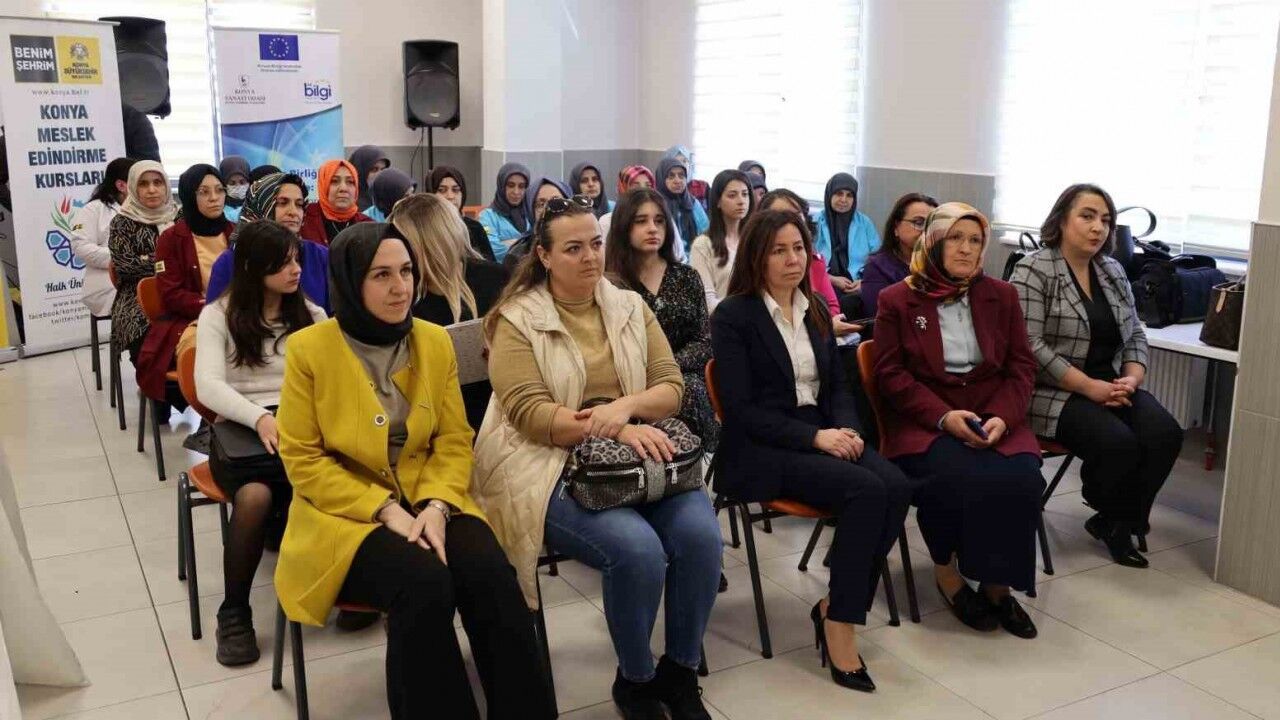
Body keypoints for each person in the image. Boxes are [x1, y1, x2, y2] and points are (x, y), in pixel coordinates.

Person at [275, 223, 550, 720]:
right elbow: (303, 460)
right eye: (381, 275)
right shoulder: (310, 350)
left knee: (489, 573)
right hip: (345, 512)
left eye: (406, 271)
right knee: (423, 582)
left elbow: (454, 438)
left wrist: (438, 505)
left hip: (429, 493)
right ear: (350, 282)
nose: (400, 287)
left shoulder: (432, 341)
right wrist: (385, 510)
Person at [471, 196, 721, 720]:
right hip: (547, 460)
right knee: (637, 551)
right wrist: (616, 426)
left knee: (701, 538)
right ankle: (637, 681)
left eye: (595, 244)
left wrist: (626, 410)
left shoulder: (628, 305)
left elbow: (670, 386)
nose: (589, 257)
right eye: (573, 248)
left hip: (638, 452)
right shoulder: (515, 319)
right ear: (543, 256)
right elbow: (532, 415)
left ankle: (680, 672)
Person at [711, 209, 911, 692]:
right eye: (778, 250)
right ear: (756, 257)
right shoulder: (734, 315)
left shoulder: (816, 307)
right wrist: (816, 438)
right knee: (866, 491)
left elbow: (838, 385)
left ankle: (834, 603)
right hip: (762, 446)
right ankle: (841, 623)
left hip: (821, 430)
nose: (792, 259)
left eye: (798, 248)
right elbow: (740, 410)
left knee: (897, 486)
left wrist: (846, 428)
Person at [873, 202, 1042, 639]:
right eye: (955, 238)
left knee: (1022, 476)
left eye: (975, 240)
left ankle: (997, 585)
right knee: (958, 476)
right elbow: (890, 375)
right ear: (933, 241)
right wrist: (943, 416)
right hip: (925, 417)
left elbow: (1021, 366)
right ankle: (946, 570)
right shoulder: (897, 299)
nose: (966, 249)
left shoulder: (1001, 295)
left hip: (992, 409)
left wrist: (1004, 417)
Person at [1010, 184, 1182, 568]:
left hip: (1111, 383)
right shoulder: (1033, 269)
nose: (1098, 227)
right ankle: (1117, 517)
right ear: (1061, 220)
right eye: (1087, 216)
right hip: (1051, 390)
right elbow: (1028, 345)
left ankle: (1115, 520)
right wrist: (1089, 387)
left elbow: (1135, 332)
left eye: (1105, 220)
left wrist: (1132, 378)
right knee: (1118, 443)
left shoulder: (1111, 269)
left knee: (1165, 433)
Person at [196, 221, 325, 666]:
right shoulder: (218, 315)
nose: (296, 270)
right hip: (241, 430)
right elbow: (208, 386)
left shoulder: (311, 315)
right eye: (283, 263)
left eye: (296, 260)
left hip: (299, 429)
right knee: (254, 496)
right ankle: (234, 612)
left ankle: (345, 582)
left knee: (340, 474)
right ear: (253, 268)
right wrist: (259, 417)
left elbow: (332, 378)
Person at [606, 186, 719, 452]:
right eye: (641, 221)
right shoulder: (611, 285)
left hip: (683, 374)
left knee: (688, 390)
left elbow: (704, 341)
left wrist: (667, 370)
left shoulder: (686, 277)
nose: (652, 229)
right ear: (624, 227)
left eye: (659, 221)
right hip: (629, 378)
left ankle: (688, 465)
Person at [391, 193, 509, 431]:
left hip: (497, 413)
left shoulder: (497, 281)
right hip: (432, 417)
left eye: (401, 240)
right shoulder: (403, 295)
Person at [136, 164, 236, 407]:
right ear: (190, 196)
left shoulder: (236, 233)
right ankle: (212, 413)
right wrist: (214, 309)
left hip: (238, 315)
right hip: (190, 318)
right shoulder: (171, 239)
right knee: (211, 351)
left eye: (219, 190)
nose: (214, 198)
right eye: (204, 192)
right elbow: (171, 295)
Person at [206, 172, 331, 314]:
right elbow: (215, 318)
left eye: (299, 205)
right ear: (261, 205)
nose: (293, 212)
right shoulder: (231, 261)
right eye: (282, 203)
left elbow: (335, 316)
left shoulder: (319, 256)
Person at [109, 160, 178, 365]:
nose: (152, 189)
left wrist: (148, 258)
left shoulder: (179, 217)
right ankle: (159, 382)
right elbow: (126, 266)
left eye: (158, 182)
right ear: (132, 187)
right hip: (135, 300)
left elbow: (190, 259)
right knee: (154, 350)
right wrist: (168, 262)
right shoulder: (122, 222)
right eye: (143, 184)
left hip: (180, 292)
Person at [72, 157, 135, 318]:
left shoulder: (149, 210)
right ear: (121, 186)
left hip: (144, 278)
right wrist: (124, 259)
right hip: (106, 284)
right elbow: (81, 247)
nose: (149, 189)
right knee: (138, 303)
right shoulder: (93, 209)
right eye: (141, 183)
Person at [861, 193, 938, 320]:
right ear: (896, 227)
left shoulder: (942, 265)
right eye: (919, 222)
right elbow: (881, 318)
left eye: (932, 225)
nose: (926, 231)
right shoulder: (878, 267)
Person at [814, 173, 880, 316]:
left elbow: (878, 257)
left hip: (857, 281)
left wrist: (864, 281)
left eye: (849, 195)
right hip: (824, 279)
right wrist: (831, 279)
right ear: (829, 194)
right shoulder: (815, 221)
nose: (844, 200)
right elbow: (808, 260)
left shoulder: (864, 223)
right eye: (839, 193)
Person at [689, 169, 754, 311]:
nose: (741, 201)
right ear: (718, 201)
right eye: (732, 195)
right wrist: (744, 308)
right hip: (722, 320)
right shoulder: (703, 245)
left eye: (745, 194)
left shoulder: (755, 241)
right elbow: (706, 301)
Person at [502, 176, 571, 270]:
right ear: (531, 212)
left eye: (556, 202)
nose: (548, 209)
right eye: (541, 204)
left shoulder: (584, 244)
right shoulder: (517, 257)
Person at [428, 165, 495, 261]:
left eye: (455, 190)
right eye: (442, 190)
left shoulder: (474, 228)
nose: (450, 196)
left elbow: (491, 266)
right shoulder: (424, 229)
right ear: (431, 194)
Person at [300, 159, 373, 245]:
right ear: (323, 184)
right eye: (334, 181)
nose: (343, 188)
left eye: (350, 182)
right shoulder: (303, 218)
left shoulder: (367, 225)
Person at [478, 162, 531, 262]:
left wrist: (509, 243)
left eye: (521, 186)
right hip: (501, 271)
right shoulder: (487, 217)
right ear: (502, 186)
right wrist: (527, 243)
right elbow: (492, 250)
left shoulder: (530, 214)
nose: (516, 192)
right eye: (511, 185)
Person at [656, 157, 710, 255]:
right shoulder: (656, 205)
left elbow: (706, 232)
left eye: (681, 176)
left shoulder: (692, 203)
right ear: (661, 178)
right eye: (671, 176)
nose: (677, 181)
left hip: (694, 256)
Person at [348, 144, 390, 212]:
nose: (380, 174)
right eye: (374, 169)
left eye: (383, 170)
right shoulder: (347, 202)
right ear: (360, 171)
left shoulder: (388, 199)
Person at [220, 156, 251, 223]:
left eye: (242, 182)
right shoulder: (218, 207)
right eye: (232, 183)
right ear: (223, 184)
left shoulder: (255, 205)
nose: (238, 187)